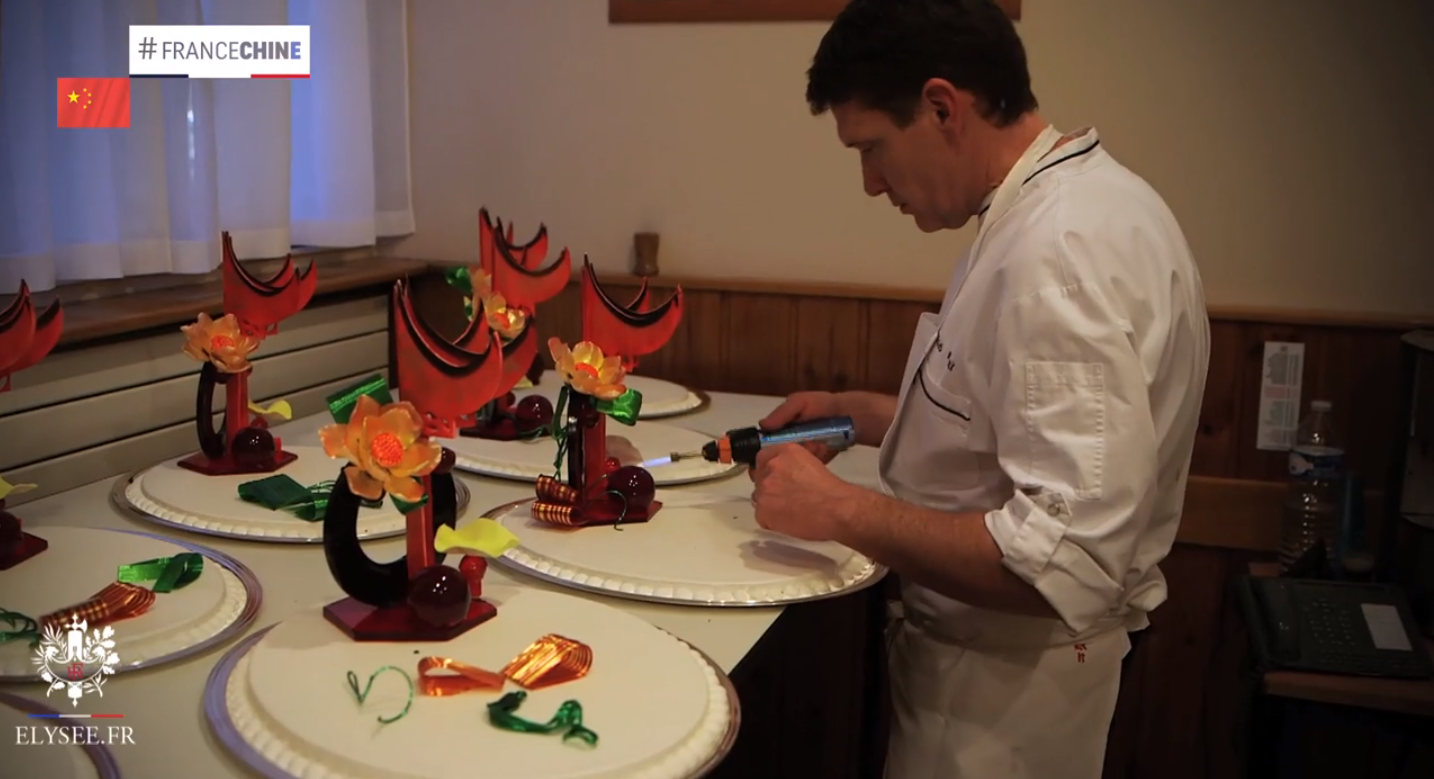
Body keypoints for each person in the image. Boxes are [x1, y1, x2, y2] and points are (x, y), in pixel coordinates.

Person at [749, 1, 1211, 777]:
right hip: (991, 672)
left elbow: (1059, 556)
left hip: (1004, 699)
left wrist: (840, 509)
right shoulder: (1073, 207)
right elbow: (1019, 432)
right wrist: (868, 415)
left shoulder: (1058, 252)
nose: (869, 183)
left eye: (872, 148)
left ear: (941, 107)